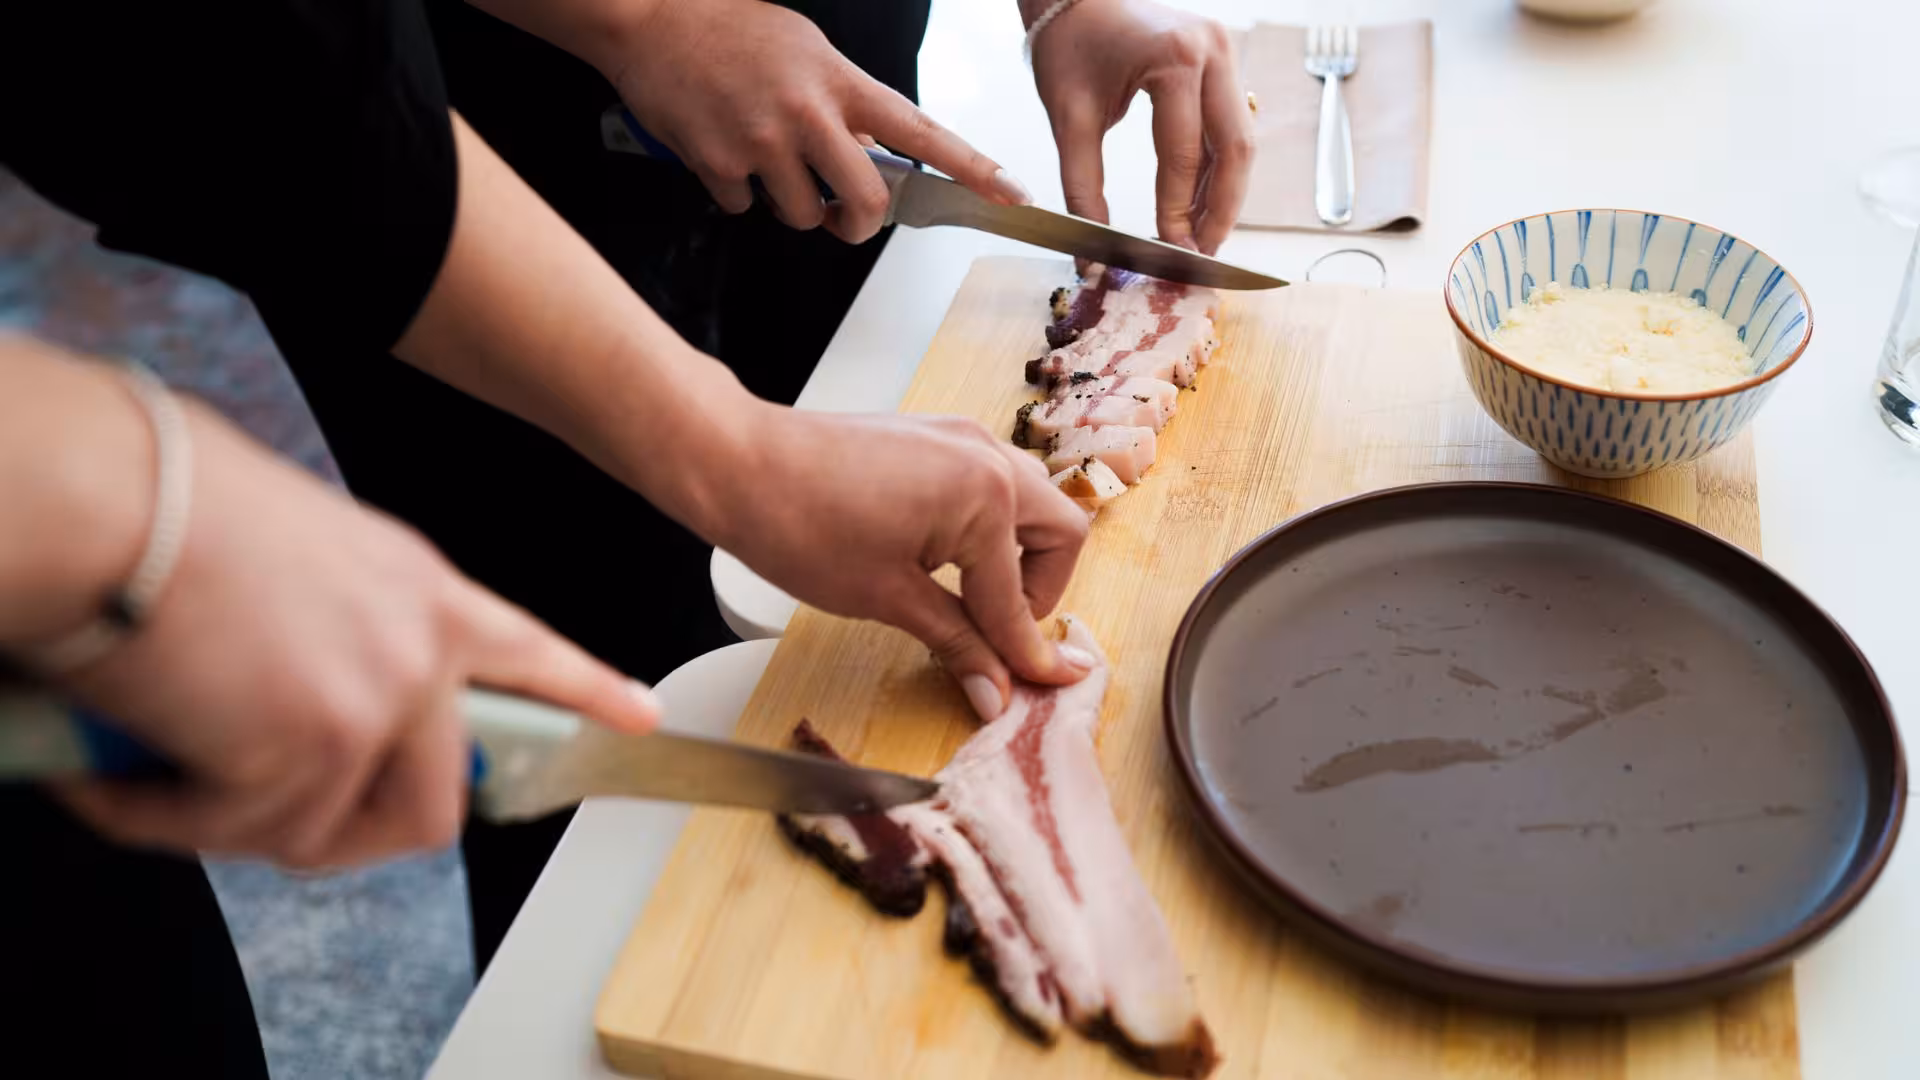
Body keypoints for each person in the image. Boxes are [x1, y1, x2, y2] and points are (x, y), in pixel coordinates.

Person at [3, 0, 1251, 1073]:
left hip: (771, 119)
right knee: (570, 750)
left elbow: (261, 73)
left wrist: (736, 449)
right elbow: (246, 77)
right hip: (501, 174)